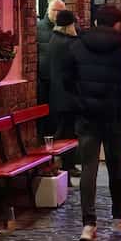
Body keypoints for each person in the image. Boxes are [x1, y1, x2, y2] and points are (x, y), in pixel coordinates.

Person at [64, 4, 121, 241]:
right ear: (117, 23)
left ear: (96, 22)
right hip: (115, 116)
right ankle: (118, 215)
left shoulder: (77, 46)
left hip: (87, 116)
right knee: (114, 166)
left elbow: (67, 82)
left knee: (88, 167)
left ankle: (88, 224)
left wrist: (81, 102)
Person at [48, 9, 79, 171]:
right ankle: (67, 164)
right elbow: (74, 70)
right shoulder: (68, 43)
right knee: (67, 132)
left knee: (63, 129)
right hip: (68, 95)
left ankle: (64, 163)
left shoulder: (54, 39)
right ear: (69, 25)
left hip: (57, 93)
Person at [37, 0, 65, 132]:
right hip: (44, 81)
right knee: (44, 117)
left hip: (61, 82)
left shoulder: (68, 29)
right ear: (48, 10)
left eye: (61, 11)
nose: (57, 14)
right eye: (55, 10)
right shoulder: (38, 28)